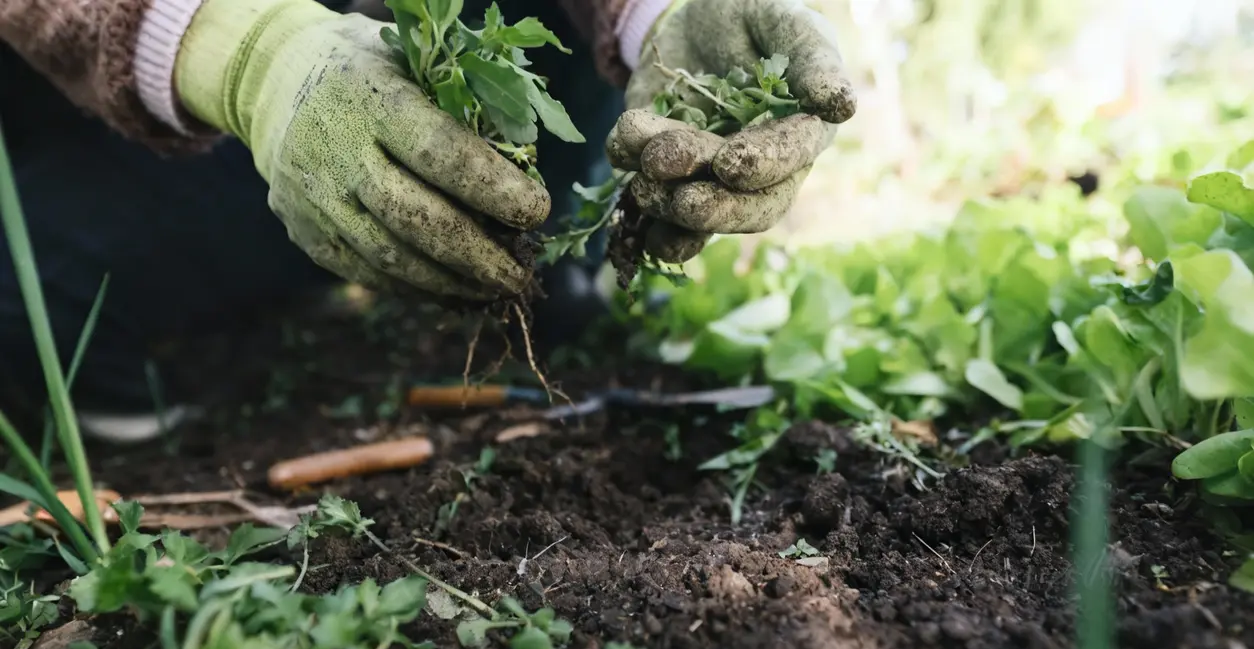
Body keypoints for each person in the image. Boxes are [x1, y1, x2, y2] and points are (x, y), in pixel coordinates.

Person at [0, 0, 855, 443]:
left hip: (471, 48)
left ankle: (557, 256)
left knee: (538, 173)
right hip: (167, 93)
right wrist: (252, 60)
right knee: (42, 273)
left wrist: (658, 14)